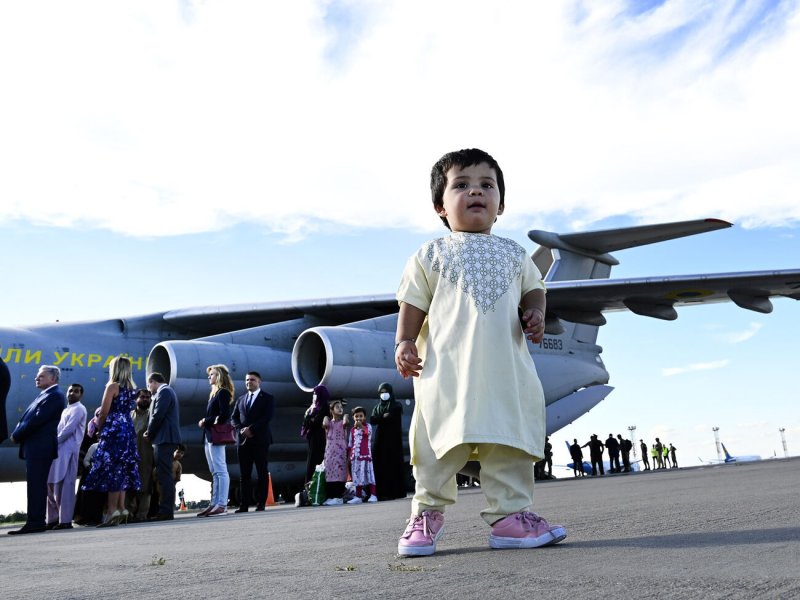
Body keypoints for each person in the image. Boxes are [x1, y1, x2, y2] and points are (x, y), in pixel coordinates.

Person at [393, 148, 566, 556]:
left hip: (505, 376)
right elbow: (412, 302)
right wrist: (403, 341)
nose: (476, 191)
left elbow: (535, 289)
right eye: (462, 184)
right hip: (445, 377)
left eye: (487, 185)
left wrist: (536, 314)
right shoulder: (430, 255)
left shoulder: (516, 254)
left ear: (500, 204)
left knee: (508, 447)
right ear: (440, 205)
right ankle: (426, 515)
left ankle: (510, 518)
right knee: (436, 449)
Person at [83, 355, 141, 527]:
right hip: (127, 429)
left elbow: (104, 412)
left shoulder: (112, 386)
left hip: (114, 429)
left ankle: (111, 510)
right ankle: (121, 508)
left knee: (111, 469)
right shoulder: (132, 387)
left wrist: (100, 429)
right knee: (123, 468)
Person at [8, 365, 66, 535]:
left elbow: (37, 419)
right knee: (35, 485)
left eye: (41, 376)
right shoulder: (45, 395)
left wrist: (17, 434)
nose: (36, 378)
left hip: (40, 447)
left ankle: (36, 521)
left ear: (53, 379)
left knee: (36, 485)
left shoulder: (55, 396)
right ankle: (35, 520)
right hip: (36, 447)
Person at [46, 383, 87, 529]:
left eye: (76, 391)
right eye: (70, 391)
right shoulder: (66, 410)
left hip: (69, 451)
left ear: (81, 395)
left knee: (65, 486)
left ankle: (65, 521)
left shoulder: (79, 409)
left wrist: (53, 442)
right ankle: (52, 519)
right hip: (58, 450)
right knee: (51, 485)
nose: (72, 393)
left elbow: (69, 430)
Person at [232, 371, 274, 512]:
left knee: (262, 472)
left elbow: (266, 417)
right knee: (245, 474)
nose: (249, 382)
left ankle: (261, 503)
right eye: (247, 380)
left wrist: (251, 429)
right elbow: (234, 418)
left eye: (252, 380)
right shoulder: (241, 399)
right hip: (243, 441)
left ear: (259, 382)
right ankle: (244, 505)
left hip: (260, 440)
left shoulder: (267, 398)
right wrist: (242, 429)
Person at [197, 364, 233, 517]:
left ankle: (222, 504)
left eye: (211, 374)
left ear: (218, 376)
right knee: (214, 471)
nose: (209, 377)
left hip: (216, 435)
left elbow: (225, 414)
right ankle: (214, 503)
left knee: (220, 470)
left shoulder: (223, 393)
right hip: (209, 436)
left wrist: (207, 420)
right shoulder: (214, 393)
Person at [145, 372, 182, 521]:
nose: (149, 389)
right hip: (164, 438)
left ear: (153, 382)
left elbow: (158, 414)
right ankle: (165, 509)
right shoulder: (166, 392)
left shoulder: (165, 391)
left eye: (149, 385)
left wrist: (150, 432)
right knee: (163, 474)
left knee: (164, 475)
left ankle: (166, 511)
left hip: (164, 438)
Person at [370, 382, 406, 501]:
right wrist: (382, 417)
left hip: (393, 440)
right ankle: (381, 492)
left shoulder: (396, 405)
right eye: (381, 392)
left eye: (386, 392)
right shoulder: (377, 407)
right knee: (380, 464)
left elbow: (391, 416)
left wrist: (382, 418)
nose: (384, 395)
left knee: (392, 465)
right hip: (380, 440)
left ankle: (394, 492)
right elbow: (373, 419)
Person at [126, 389, 154, 522]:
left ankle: (142, 515)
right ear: (136, 399)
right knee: (129, 485)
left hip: (146, 455)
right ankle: (128, 514)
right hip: (130, 455)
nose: (145, 399)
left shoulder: (152, 415)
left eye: (148, 397)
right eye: (142, 397)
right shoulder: (130, 415)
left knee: (145, 486)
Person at [347, 406, 378, 504]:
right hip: (355, 457)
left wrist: (362, 426)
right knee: (357, 477)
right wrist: (349, 456)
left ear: (364, 417)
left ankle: (373, 495)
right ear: (353, 418)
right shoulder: (352, 430)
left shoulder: (368, 426)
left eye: (361, 416)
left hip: (365, 456)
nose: (359, 418)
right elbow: (350, 444)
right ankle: (358, 496)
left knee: (369, 475)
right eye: (356, 416)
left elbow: (367, 433)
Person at [321, 399, 349, 506]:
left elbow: (346, 422)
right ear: (331, 410)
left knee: (339, 472)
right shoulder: (328, 422)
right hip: (330, 451)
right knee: (330, 473)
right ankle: (331, 496)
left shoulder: (343, 422)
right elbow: (324, 424)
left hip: (340, 451)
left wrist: (345, 415)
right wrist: (325, 417)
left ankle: (338, 496)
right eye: (337, 407)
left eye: (341, 407)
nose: (340, 409)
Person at [301, 384, 330, 484]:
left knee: (318, 459)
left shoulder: (325, 406)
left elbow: (316, 421)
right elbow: (307, 421)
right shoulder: (313, 407)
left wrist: (311, 419)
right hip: (313, 437)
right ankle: (310, 484)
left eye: (315, 393)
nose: (314, 395)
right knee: (312, 460)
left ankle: (317, 484)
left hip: (320, 437)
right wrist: (310, 418)